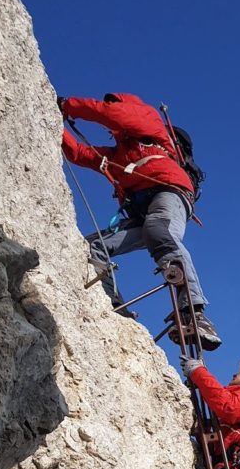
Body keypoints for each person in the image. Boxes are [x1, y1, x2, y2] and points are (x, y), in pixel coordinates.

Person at [59, 92, 221, 350]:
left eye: (112, 103)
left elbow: (112, 114)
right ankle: (112, 302)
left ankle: (195, 312)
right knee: (94, 246)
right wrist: (53, 117)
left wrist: (68, 106)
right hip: (143, 211)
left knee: (158, 230)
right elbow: (78, 153)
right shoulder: (119, 155)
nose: (108, 110)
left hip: (169, 192)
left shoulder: (150, 123)